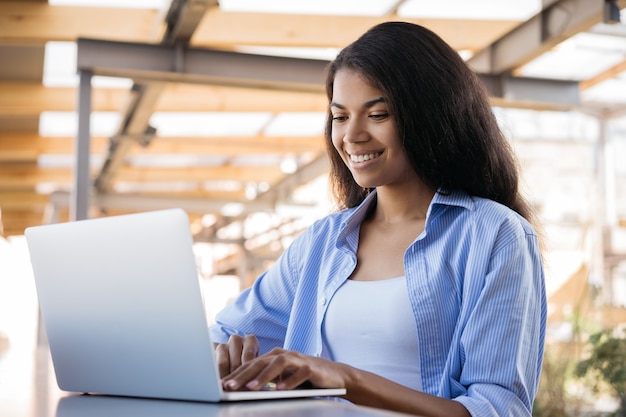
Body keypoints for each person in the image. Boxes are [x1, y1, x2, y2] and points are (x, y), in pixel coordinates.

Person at [209, 21, 547, 417]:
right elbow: (225, 333)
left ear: (429, 116)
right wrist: (224, 354)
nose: (352, 135)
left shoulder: (495, 236)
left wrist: (347, 381)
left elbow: (497, 408)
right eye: (339, 117)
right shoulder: (321, 242)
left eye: (378, 114)